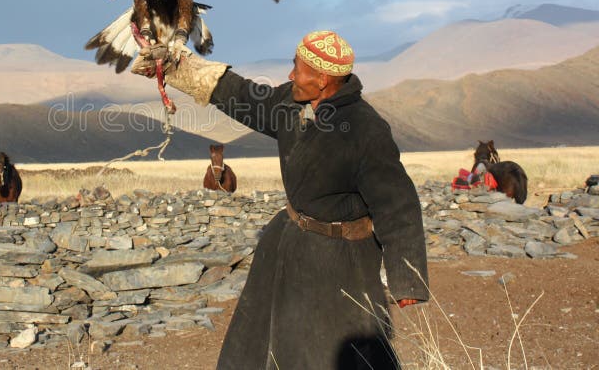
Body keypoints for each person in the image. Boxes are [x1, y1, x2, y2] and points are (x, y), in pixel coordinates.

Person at [132, 30, 429, 369]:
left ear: (322, 80)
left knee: (336, 351)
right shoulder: (291, 102)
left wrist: (407, 277)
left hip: (340, 259)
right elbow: (244, 96)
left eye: (298, 69)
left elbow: (397, 202)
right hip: (287, 243)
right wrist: (175, 64)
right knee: (259, 341)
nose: (290, 76)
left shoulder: (365, 129)